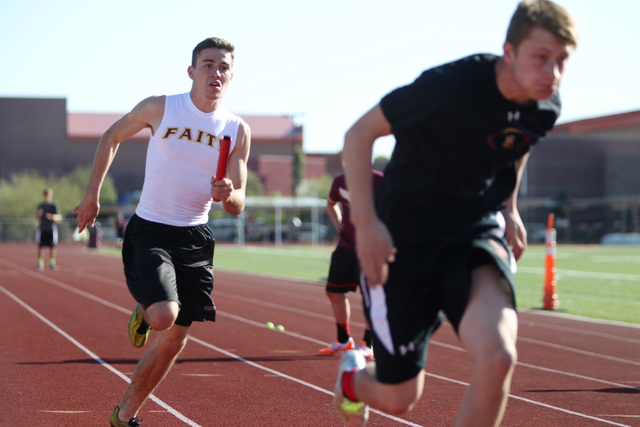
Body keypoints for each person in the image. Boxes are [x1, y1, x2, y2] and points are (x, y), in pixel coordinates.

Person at [333, 1, 578, 426]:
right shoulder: (450, 86)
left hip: (472, 232)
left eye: (562, 62)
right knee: (397, 399)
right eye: (541, 58)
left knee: (498, 356)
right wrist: (368, 225)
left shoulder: (545, 106)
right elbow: (358, 135)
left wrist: (511, 207)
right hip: (403, 239)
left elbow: (516, 147)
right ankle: (354, 380)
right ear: (509, 50)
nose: (552, 74)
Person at [73, 37, 251, 427]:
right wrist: (92, 196)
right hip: (151, 230)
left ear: (231, 75)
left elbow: (238, 203)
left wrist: (228, 194)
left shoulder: (237, 130)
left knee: (174, 340)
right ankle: (147, 305)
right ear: (192, 71)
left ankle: (125, 415)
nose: (215, 73)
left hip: (195, 239)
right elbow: (111, 137)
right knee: (163, 317)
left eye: (222, 67)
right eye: (207, 65)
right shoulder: (162, 107)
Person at [319, 164, 383, 358]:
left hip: (370, 249)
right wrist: (337, 221)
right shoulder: (340, 182)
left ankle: (368, 343)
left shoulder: (379, 180)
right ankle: (343, 340)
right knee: (333, 291)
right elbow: (331, 203)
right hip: (345, 247)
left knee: (370, 298)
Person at [35, 188, 62, 271]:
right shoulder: (41, 206)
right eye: (45, 195)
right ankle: (40, 264)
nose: (47, 196)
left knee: (52, 247)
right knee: (40, 246)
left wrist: (54, 217)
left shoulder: (54, 206)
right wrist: (39, 214)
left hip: (51, 229)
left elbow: (59, 217)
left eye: (48, 195)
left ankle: (52, 264)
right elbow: (37, 219)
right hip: (43, 229)